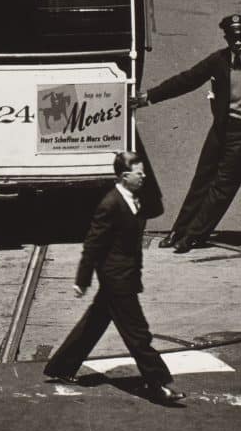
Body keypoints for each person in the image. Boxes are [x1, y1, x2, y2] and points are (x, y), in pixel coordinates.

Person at [43, 151, 185, 405]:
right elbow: (93, 244)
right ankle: (158, 384)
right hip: (117, 279)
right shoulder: (110, 204)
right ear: (124, 176)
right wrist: (82, 279)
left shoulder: (134, 199)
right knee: (138, 335)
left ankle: (62, 366)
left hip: (125, 275)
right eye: (139, 173)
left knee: (95, 322)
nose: (143, 176)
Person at [134, 15, 241, 255]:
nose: (238, 43)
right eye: (233, 38)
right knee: (201, 180)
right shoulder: (219, 60)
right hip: (221, 130)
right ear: (226, 38)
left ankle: (193, 236)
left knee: (222, 187)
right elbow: (187, 80)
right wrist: (149, 97)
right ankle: (178, 231)